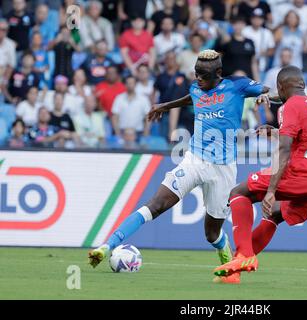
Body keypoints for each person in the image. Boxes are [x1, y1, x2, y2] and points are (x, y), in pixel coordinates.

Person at [88, 50, 272, 285]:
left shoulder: (237, 86)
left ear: (218, 73)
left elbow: (270, 91)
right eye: (196, 75)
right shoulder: (197, 87)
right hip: (194, 160)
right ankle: (106, 246)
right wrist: (165, 105)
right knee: (155, 204)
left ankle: (225, 256)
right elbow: (190, 97)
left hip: (223, 169)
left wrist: (264, 95)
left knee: (211, 233)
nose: (198, 80)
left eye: (203, 76)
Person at [213, 66, 307, 283]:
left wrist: (272, 190)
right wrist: (275, 131)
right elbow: (305, 137)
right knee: (274, 213)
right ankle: (235, 269)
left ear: (282, 87)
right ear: (302, 84)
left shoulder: (291, 105)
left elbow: (284, 149)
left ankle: (245, 255)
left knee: (239, 192)